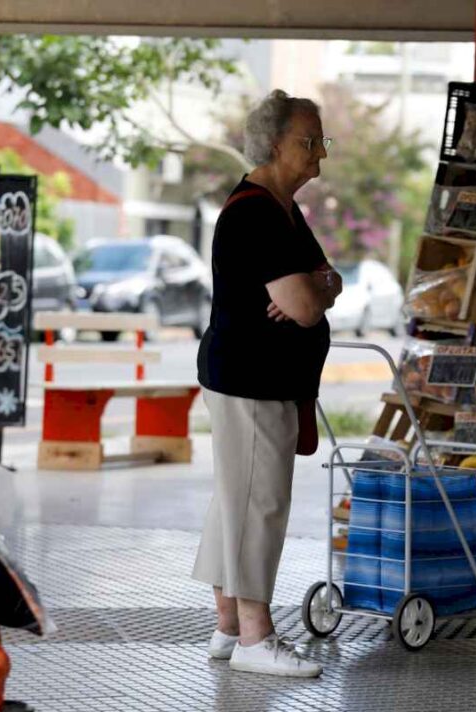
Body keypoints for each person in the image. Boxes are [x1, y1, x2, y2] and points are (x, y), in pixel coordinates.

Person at [193, 90, 342, 678]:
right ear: (276, 143)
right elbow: (306, 304)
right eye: (311, 142)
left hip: (256, 378)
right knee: (259, 502)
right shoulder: (256, 212)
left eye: (323, 141)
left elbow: (326, 279)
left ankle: (229, 627)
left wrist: (319, 284)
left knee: (237, 498)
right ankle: (257, 638)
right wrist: (315, 288)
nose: (321, 155)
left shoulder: (281, 208)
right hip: (252, 379)